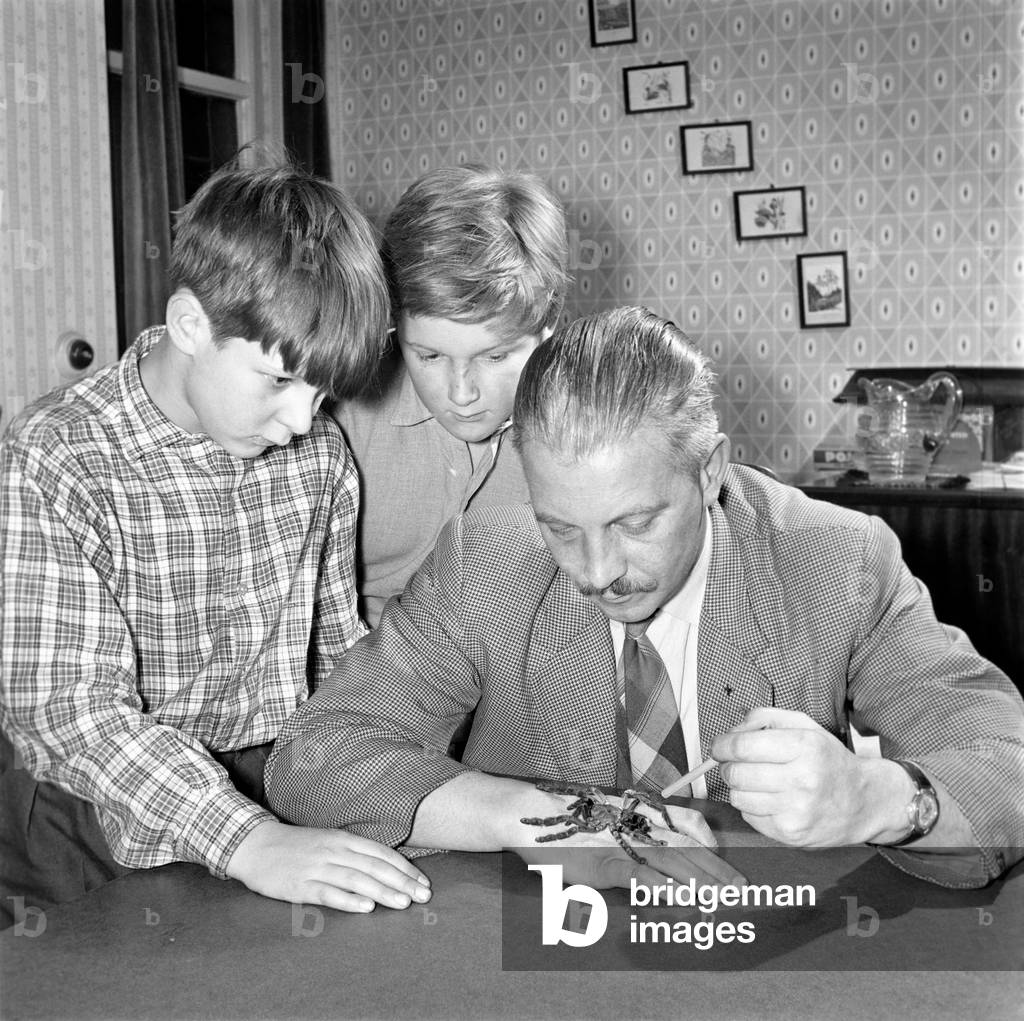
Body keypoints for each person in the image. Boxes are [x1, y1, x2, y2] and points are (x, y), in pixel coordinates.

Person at [265, 306, 1024, 892]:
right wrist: (549, 824)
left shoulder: (838, 560)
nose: (596, 571)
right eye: (560, 526)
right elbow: (314, 755)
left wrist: (878, 799)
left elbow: (1008, 766)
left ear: (708, 472)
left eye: (634, 523)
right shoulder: (482, 563)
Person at [0, 158, 432, 928]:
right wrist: (247, 839)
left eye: (322, 392)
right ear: (192, 324)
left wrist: (394, 772)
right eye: (277, 380)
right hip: (85, 823)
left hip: (267, 798)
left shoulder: (318, 458)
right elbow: (70, 710)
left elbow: (340, 661)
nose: (304, 420)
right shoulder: (56, 454)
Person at [334, 164, 570, 626]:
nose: (461, 395)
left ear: (549, 322)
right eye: (430, 356)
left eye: (496, 357)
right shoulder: (334, 411)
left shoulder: (586, 425)